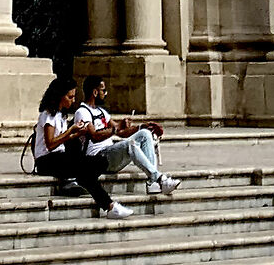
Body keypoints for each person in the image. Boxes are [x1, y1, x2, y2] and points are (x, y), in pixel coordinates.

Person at [31, 77, 123, 216]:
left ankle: (81, 182)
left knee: (100, 162)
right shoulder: (48, 115)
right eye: (70, 97)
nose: (73, 100)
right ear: (60, 96)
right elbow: (50, 144)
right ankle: (109, 205)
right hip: (46, 160)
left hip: (60, 156)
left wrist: (77, 133)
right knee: (84, 171)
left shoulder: (61, 115)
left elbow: (63, 139)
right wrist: (70, 131)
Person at [74, 77, 180, 197]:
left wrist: (141, 127)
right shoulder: (82, 112)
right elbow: (94, 136)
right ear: (95, 92)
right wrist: (117, 127)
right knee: (130, 144)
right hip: (97, 158)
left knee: (145, 134)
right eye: (103, 90)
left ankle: (152, 183)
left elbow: (121, 132)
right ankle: (160, 179)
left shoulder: (101, 112)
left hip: (111, 155)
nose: (105, 94)